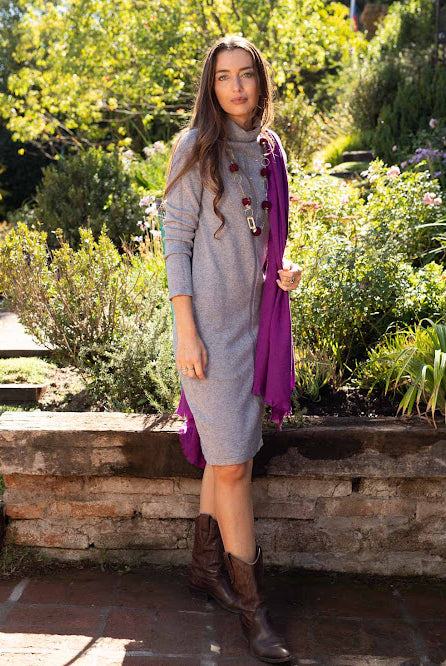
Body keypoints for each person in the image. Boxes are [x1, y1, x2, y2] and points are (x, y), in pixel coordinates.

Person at [162, 34, 302, 664]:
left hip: (256, 327)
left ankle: (204, 567)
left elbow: (271, 235)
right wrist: (185, 330)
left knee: (224, 461)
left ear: (260, 81)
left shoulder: (271, 150)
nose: (236, 86)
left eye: (246, 74)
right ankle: (253, 608)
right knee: (235, 466)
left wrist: (284, 269)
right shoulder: (196, 146)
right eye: (223, 76)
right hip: (209, 335)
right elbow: (176, 241)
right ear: (210, 86)